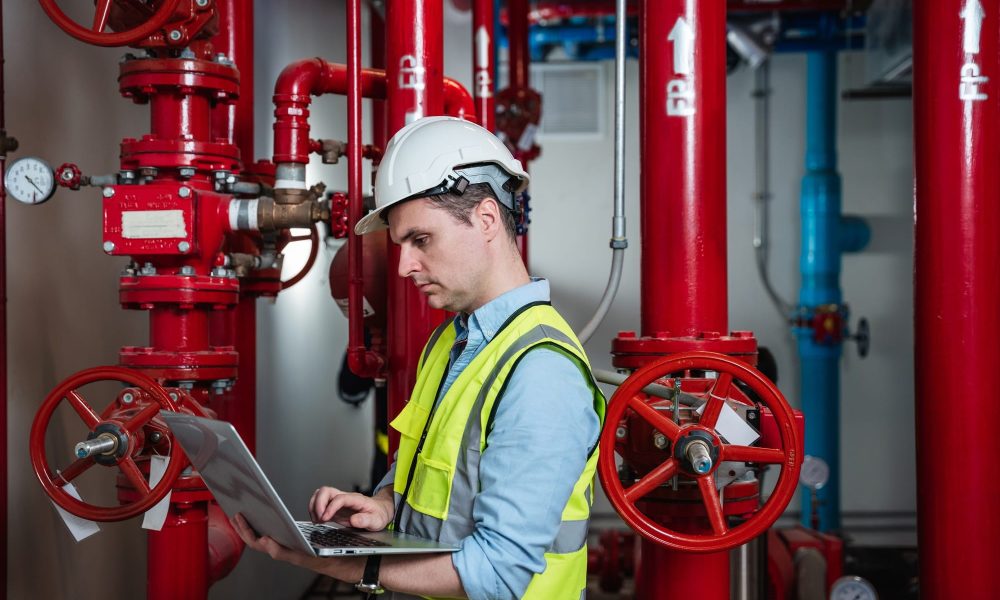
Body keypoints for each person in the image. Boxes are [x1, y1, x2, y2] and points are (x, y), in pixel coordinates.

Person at [233, 116, 606, 600]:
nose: (406, 265)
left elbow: (497, 573)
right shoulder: (451, 342)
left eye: (422, 240)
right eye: (402, 245)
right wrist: (385, 505)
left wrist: (346, 566)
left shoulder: (540, 370)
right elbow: (426, 470)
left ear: (487, 219)